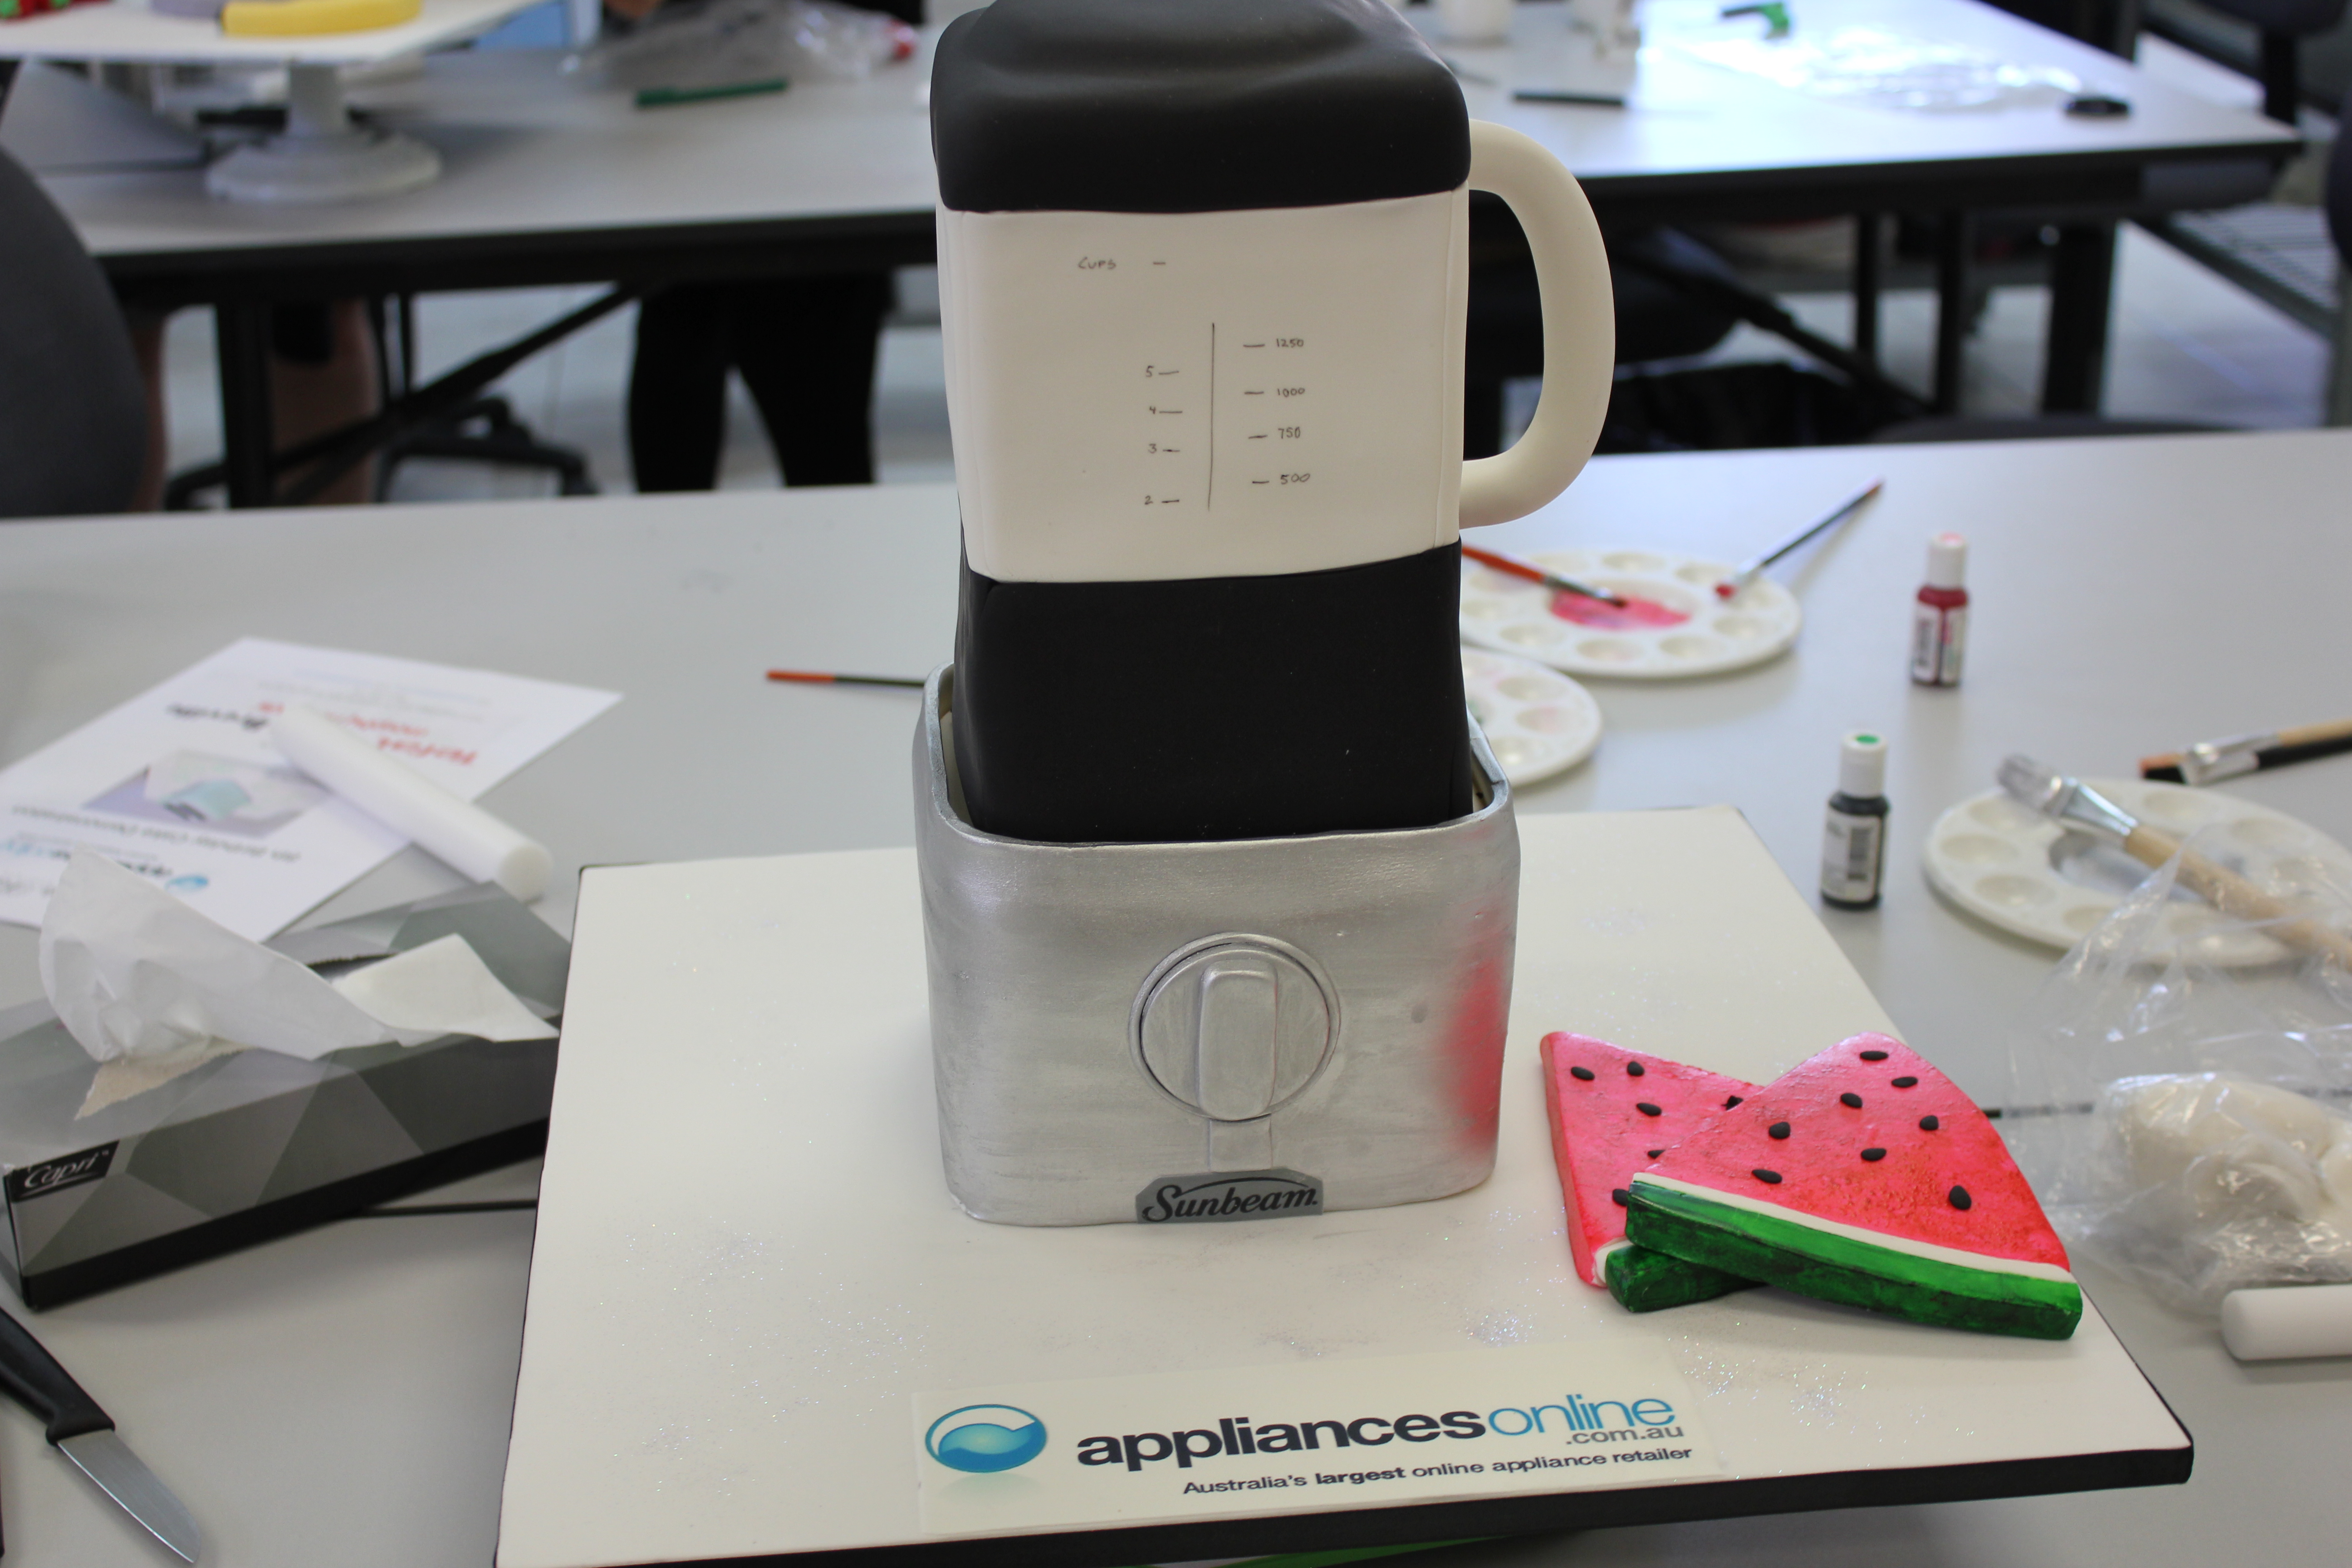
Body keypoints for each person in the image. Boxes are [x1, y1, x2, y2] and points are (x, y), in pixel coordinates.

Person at [605, 0, 921, 490]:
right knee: (681, 341)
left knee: (821, 411)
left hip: (833, 92)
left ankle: (828, 522)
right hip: (680, 107)